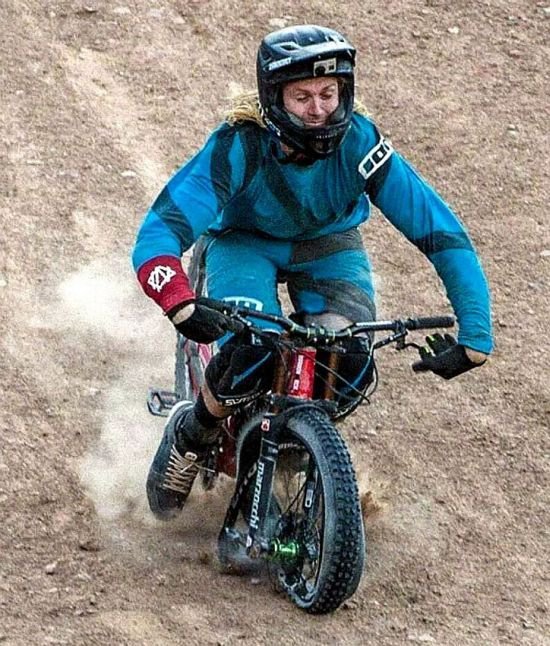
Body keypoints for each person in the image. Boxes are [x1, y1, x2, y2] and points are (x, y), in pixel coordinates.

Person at [132, 25, 493, 520]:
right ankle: (193, 431)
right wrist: (180, 303)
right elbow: (157, 236)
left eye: (329, 94)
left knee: (350, 359)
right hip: (243, 243)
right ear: (273, 99)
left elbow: (441, 233)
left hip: (329, 246)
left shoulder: (362, 143)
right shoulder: (238, 144)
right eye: (302, 97)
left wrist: (476, 335)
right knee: (252, 350)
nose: (319, 109)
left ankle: (305, 446)